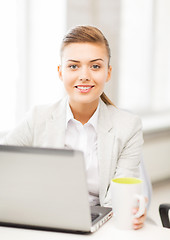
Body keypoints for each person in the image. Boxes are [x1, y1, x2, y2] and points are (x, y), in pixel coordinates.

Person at [1, 25, 147, 229]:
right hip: (44, 221)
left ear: (108, 72)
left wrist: (130, 208)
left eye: (95, 66)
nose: (84, 75)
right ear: (60, 72)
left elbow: (120, 198)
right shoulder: (37, 118)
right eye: (73, 66)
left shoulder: (128, 126)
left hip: (103, 226)